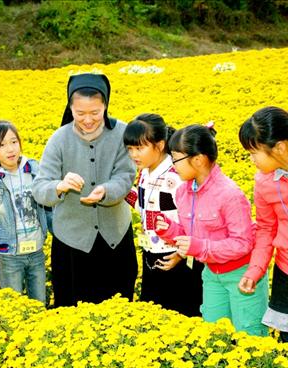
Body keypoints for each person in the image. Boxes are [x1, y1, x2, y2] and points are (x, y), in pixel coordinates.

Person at [32, 73, 138, 307]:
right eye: (80, 113)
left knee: (118, 306)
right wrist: (59, 186)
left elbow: (126, 174)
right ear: (70, 108)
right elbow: (39, 187)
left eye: (95, 113)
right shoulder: (59, 139)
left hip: (115, 239)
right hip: (72, 243)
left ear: (106, 106)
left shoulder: (122, 132)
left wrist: (106, 191)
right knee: (73, 310)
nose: (87, 120)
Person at [155, 123, 268, 336]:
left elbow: (243, 243)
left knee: (249, 333)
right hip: (212, 274)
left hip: (241, 274)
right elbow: (192, 235)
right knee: (214, 333)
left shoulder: (230, 194)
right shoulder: (182, 192)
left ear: (197, 160)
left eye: (176, 160)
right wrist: (170, 230)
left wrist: (200, 246)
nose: (173, 166)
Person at [123, 114, 203, 316]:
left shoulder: (176, 175)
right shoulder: (145, 173)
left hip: (177, 259)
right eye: (130, 149)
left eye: (139, 148)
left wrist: (181, 254)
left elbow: (194, 220)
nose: (133, 155)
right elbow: (145, 206)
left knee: (180, 314)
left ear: (159, 145)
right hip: (153, 254)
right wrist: (120, 191)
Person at [0, 120, 48, 304]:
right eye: (2, 145)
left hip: (36, 250)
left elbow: (48, 207)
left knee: (39, 302)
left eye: (13, 142)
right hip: (8, 254)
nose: (10, 149)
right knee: (13, 304)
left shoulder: (34, 169)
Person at [238, 106, 288, 342]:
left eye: (254, 153)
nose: (251, 159)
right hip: (285, 270)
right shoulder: (264, 181)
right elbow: (267, 229)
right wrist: (255, 270)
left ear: (279, 147)